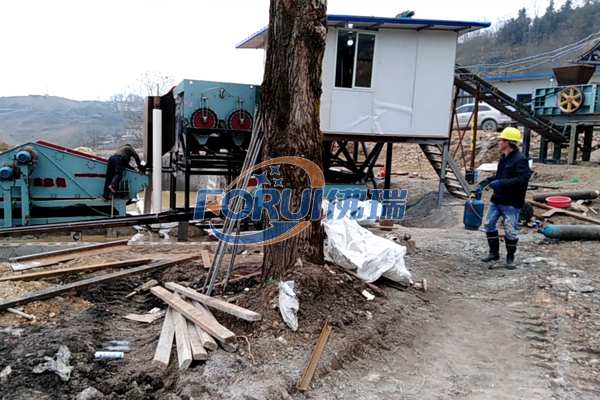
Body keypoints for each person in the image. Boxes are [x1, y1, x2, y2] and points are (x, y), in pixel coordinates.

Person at [477, 127, 532, 270]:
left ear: (507, 142)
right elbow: (500, 176)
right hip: (498, 199)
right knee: (489, 224)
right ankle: (494, 253)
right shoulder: (504, 158)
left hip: (511, 202)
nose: (499, 142)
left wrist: (501, 183)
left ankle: (510, 258)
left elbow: (522, 180)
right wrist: (488, 180)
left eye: (501, 140)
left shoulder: (520, 160)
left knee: (510, 230)